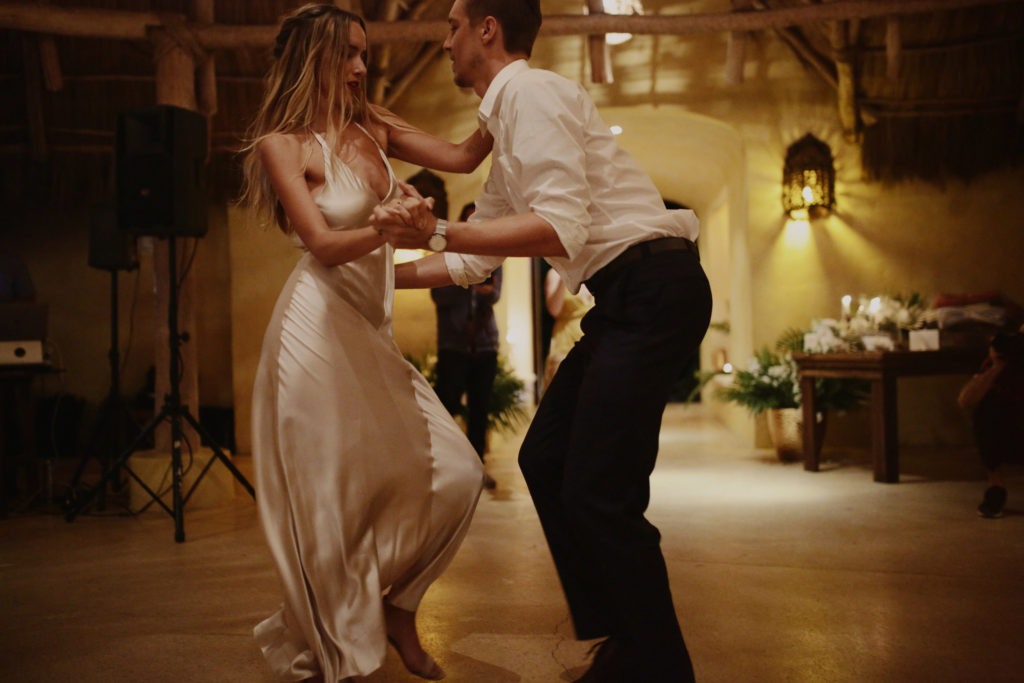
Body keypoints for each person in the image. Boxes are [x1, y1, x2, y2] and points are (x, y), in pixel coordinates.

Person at [372, 1, 712, 680]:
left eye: (453, 26)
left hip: (654, 291)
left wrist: (435, 228)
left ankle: (659, 663)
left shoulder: (529, 93)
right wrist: (378, 283)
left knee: (597, 490)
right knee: (548, 459)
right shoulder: (508, 121)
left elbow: (560, 229)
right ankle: (623, 635)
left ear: (487, 29)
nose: (444, 43)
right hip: (628, 299)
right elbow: (476, 261)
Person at [238, 5, 492, 681]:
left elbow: (467, 154)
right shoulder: (281, 144)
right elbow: (321, 245)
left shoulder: (373, 126)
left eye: (363, 53)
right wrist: (389, 223)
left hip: (368, 332)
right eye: (347, 54)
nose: (359, 67)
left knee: (461, 473)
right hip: (312, 331)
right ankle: (339, 656)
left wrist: (511, 83)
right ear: (313, 57)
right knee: (330, 504)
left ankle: (399, 605)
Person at [430, 202, 502, 489]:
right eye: (468, 222)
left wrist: (469, 283)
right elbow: (439, 296)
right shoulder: (446, 254)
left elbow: (494, 294)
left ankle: (476, 470)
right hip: (453, 344)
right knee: (446, 408)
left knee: (479, 410)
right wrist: (468, 279)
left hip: (485, 345)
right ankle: (445, 468)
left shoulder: (492, 255)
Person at [958, 325, 1024, 518]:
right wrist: (997, 366)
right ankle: (996, 487)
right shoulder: (1001, 361)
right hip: (1011, 430)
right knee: (986, 409)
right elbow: (965, 400)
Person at [543, 268, 593, 392]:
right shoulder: (555, 274)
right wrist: (564, 276)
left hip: (592, 340)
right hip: (565, 340)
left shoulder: (592, 270)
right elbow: (554, 310)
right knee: (564, 392)